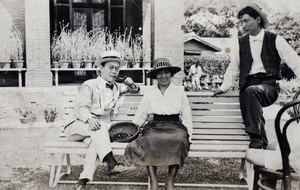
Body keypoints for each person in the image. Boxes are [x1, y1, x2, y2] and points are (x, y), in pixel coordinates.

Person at [213, 3, 300, 149]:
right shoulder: (240, 43)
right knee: (249, 91)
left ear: (258, 19)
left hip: (269, 87)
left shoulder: (275, 39)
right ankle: (261, 142)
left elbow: (295, 61)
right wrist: (223, 87)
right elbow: (233, 67)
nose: (243, 25)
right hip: (248, 86)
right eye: (241, 22)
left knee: (252, 91)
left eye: (246, 20)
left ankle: (256, 137)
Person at [64, 50, 140, 190]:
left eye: (117, 69)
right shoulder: (89, 84)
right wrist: (89, 119)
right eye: (110, 68)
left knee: (96, 141)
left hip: (96, 132)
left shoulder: (117, 87)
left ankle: (83, 181)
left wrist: (131, 84)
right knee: (101, 128)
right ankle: (112, 164)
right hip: (77, 126)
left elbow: (133, 90)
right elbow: (80, 108)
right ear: (101, 68)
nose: (114, 72)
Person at [124, 58, 193, 190]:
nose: (163, 76)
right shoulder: (149, 94)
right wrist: (131, 130)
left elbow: (187, 116)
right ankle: (153, 180)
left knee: (179, 140)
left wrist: (189, 135)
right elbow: (141, 114)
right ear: (155, 76)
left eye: (166, 72)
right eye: (159, 73)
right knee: (149, 140)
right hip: (155, 126)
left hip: (175, 126)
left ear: (171, 75)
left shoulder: (179, 92)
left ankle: (170, 180)